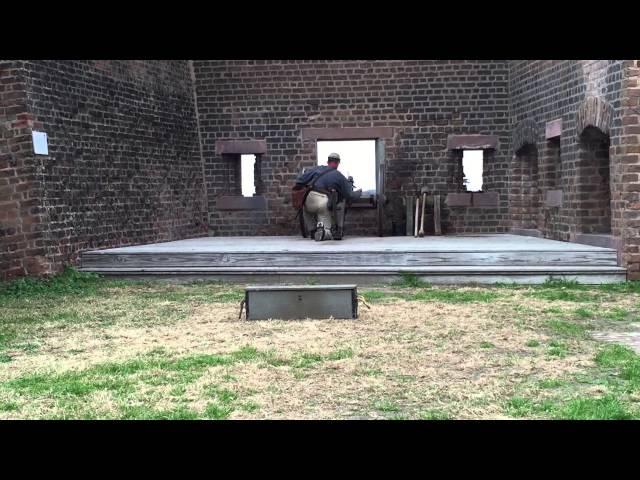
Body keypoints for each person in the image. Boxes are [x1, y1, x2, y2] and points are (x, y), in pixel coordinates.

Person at [295, 153, 362, 241]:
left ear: (328, 161)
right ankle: (326, 233)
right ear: (338, 163)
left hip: (308, 199)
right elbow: (349, 195)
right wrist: (357, 191)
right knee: (338, 205)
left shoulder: (317, 169)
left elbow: (299, 181)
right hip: (322, 202)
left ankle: (312, 231)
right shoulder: (338, 176)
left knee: (306, 209)